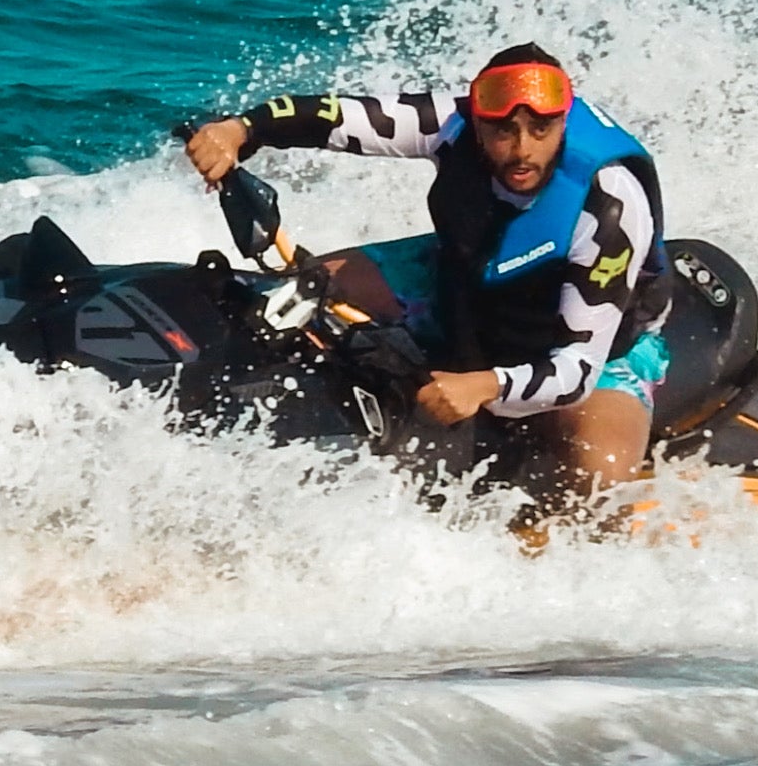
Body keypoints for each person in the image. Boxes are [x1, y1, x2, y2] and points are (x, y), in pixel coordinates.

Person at [184, 44, 671, 504]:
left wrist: (487, 385)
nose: (522, 150)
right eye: (503, 132)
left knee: (600, 475)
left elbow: (578, 370)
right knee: (298, 295)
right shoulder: (451, 122)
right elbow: (336, 117)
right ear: (479, 123)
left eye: (540, 130)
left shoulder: (609, 204)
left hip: (602, 350)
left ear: (562, 121)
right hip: (472, 283)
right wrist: (240, 130)